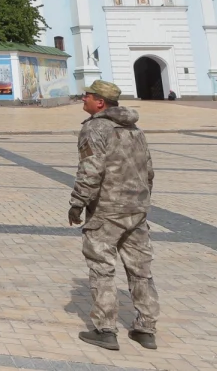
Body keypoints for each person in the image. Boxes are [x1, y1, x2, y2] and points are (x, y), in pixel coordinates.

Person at [68, 79, 159, 352]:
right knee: (141, 270)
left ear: (100, 102)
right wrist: (141, 198)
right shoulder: (135, 129)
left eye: (87, 95)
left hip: (107, 211)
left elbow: (91, 170)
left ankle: (105, 330)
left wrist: (78, 202)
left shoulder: (95, 128)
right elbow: (148, 170)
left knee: (102, 269)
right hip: (137, 209)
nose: (83, 99)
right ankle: (146, 329)